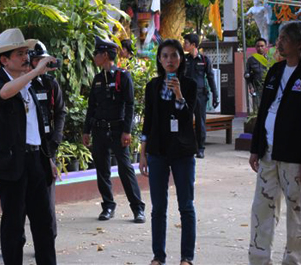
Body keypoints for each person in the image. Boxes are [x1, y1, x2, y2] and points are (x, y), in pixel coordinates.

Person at [0, 28, 57, 265]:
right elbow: (4, 93)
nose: (26, 57)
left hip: (36, 159)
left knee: (44, 223)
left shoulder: (31, 83)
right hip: (12, 162)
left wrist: (49, 158)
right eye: (20, 54)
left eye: (27, 53)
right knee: (14, 225)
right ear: (4, 59)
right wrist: (34, 72)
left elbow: (37, 125)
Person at [248, 21, 301, 265]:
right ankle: (259, 259)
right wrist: (255, 149)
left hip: (294, 157)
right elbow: (262, 113)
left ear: (299, 43)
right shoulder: (275, 71)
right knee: (262, 207)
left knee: (296, 211)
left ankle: (294, 259)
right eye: (278, 38)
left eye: (284, 39)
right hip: (268, 153)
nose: (278, 43)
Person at [139, 39, 198, 265]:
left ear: (181, 58)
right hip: (157, 152)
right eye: (165, 56)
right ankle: (158, 256)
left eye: (174, 55)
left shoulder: (190, 85)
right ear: (159, 60)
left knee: (186, 205)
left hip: (182, 151)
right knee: (158, 208)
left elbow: (187, 118)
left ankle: (186, 258)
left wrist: (179, 95)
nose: (169, 60)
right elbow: (148, 122)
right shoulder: (152, 85)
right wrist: (143, 153)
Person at [82, 36, 146, 223]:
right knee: (102, 170)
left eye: (96, 53)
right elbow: (91, 107)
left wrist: (127, 131)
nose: (94, 57)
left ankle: (137, 208)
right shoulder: (98, 79)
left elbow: (130, 105)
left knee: (125, 169)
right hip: (100, 130)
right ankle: (108, 206)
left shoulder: (123, 76)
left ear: (104, 55)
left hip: (118, 131)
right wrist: (87, 130)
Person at [28, 41, 66, 238]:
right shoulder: (23, 83)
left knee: (47, 197)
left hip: (48, 145)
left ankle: (48, 237)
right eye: (37, 61)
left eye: (43, 60)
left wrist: (56, 140)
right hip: (27, 145)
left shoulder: (51, 83)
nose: (41, 64)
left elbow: (60, 112)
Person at [183, 33, 219, 159]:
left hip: (200, 95)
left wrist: (215, 95)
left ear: (193, 45)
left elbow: (210, 78)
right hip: (185, 95)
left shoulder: (204, 60)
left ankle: (200, 148)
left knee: (200, 122)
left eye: (186, 42)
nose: (184, 44)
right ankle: (187, 147)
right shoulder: (183, 59)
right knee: (184, 121)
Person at [244, 38, 269, 112]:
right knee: (258, 108)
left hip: (269, 87)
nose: (260, 48)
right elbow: (246, 74)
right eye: (258, 46)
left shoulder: (270, 58)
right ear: (255, 47)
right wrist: (250, 86)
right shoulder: (251, 59)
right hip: (257, 87)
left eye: (262, 46)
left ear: (265, 47)